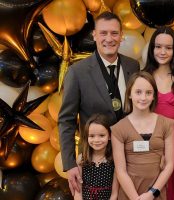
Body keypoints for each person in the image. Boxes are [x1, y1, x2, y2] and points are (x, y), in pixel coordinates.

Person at [58, 11, 140, 196]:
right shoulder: (77, 72)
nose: (109, 39)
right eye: (103, 33)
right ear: (94, 35)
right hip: (93, 162)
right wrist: (70, 164)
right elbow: (66, 120)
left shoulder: (133, 66)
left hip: (129, 158)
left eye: (114, 33)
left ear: (121, 35)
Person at [111, 71, 174, 200]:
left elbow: (169, 165)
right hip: (130, 194)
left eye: (148, 93)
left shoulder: (166, 125)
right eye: (138, 92)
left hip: (156, 192)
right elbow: (120, 171)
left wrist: (152, 193)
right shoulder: (119, 129)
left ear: (154, 96)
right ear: (129, 94)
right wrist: (136, 198)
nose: (143, 98)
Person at [143, 27, 174, 200]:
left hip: (173, 143)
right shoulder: (143, 76)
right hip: (147, 142)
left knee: (170, 191)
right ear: (152, 48)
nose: (162, 52)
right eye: (158, 46)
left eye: (168, 48)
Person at [74, 114, 118, 200]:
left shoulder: (114, 160)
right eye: (92, 136)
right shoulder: (81, 159)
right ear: (87, 137)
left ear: (109, 136)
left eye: (101, 135)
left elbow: (114, 194)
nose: (96, 140)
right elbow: (78, 192)